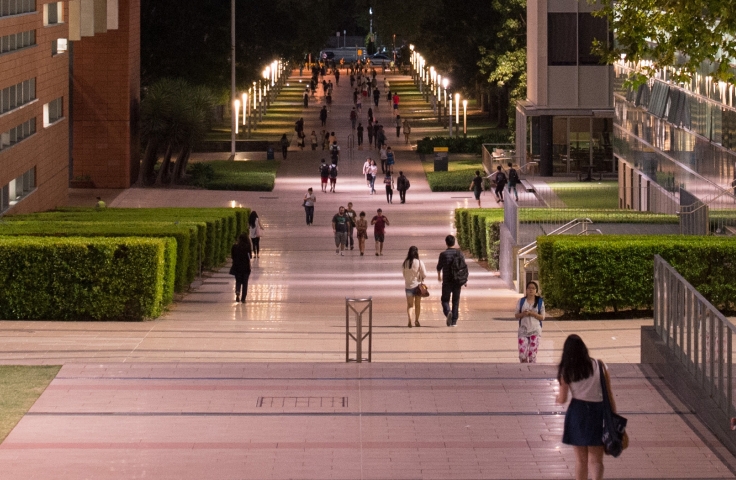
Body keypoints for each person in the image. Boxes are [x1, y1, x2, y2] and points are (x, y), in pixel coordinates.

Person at [556, 334, 612, 480]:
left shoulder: (567, 371)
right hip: (597, 412)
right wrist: (612, 418)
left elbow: (563, 399)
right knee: (596, 459)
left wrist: (557, 398)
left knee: (581, 460)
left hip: (577, 413)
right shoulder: (599, 366)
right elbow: (609, 396)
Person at [436, 235, 466, 327]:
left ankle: (448, 311)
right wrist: (464, 280)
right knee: (455, 301)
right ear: (454, 242)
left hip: (447, 281)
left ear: (446, 243)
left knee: (445, 300)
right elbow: (463, 267)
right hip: (457, 281)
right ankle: (454, 321)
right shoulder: (459, 253)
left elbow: (439, 267)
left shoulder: (443, 254)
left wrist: (439, 276)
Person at [516, 281, 545, 363]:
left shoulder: (540, 302)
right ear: (526, 290)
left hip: (535, 330)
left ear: (536, 290)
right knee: (522, 355)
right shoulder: (521, 301)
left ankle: (531, 372)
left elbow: (542, 317)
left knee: (532, 355)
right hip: (523, 330)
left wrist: (533, 314)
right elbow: (516, 315)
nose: (531, 290)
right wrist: (523, 314)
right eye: (529, 288)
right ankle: (523, 371)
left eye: (533, 288)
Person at [402, 246, 428, 328]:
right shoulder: (419, 262)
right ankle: (416, 320)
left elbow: (404, 274)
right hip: (417, 287)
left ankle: (409, 319)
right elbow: (425, 274)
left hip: (408, 286)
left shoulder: (405, 263)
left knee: (410, 305)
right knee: (417, 304)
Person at [230, 233, 252, 303]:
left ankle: (237, 291)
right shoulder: (247, 247)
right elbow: (250, 257)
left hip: (237, 267)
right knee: (245, 283)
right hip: (245, 267)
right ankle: (243, 298)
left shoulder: (235, 247)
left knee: (238, 281)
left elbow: (232, 256)